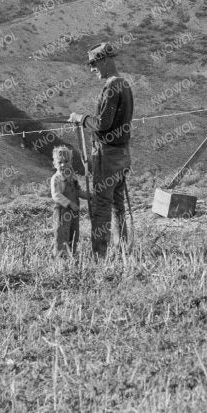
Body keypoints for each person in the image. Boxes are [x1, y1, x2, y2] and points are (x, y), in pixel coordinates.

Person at [69, 42, 134, 257]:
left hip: (107, 157)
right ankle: (123, 250)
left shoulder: (111, 87)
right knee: (118, 204)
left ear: (105, 61)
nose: (92, 68)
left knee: (100, 205)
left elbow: (102, 124)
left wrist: (80, 118)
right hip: (122, 154)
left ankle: (99, 256)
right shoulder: (125, 85)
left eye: (94, 63)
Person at [49, 143, 82, 257]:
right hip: (62, 211)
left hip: (74, 212)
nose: (63, 164)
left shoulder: (73, 177)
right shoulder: (56, 178)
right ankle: (60, 257)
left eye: (66, 161)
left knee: (74, 232)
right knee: (61, 233)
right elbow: (56, 195)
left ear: (71, 162)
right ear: (55, 164)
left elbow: (77, 191)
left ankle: (72, 254)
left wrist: (90, 196)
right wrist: (70, 204)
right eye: (60, 162)